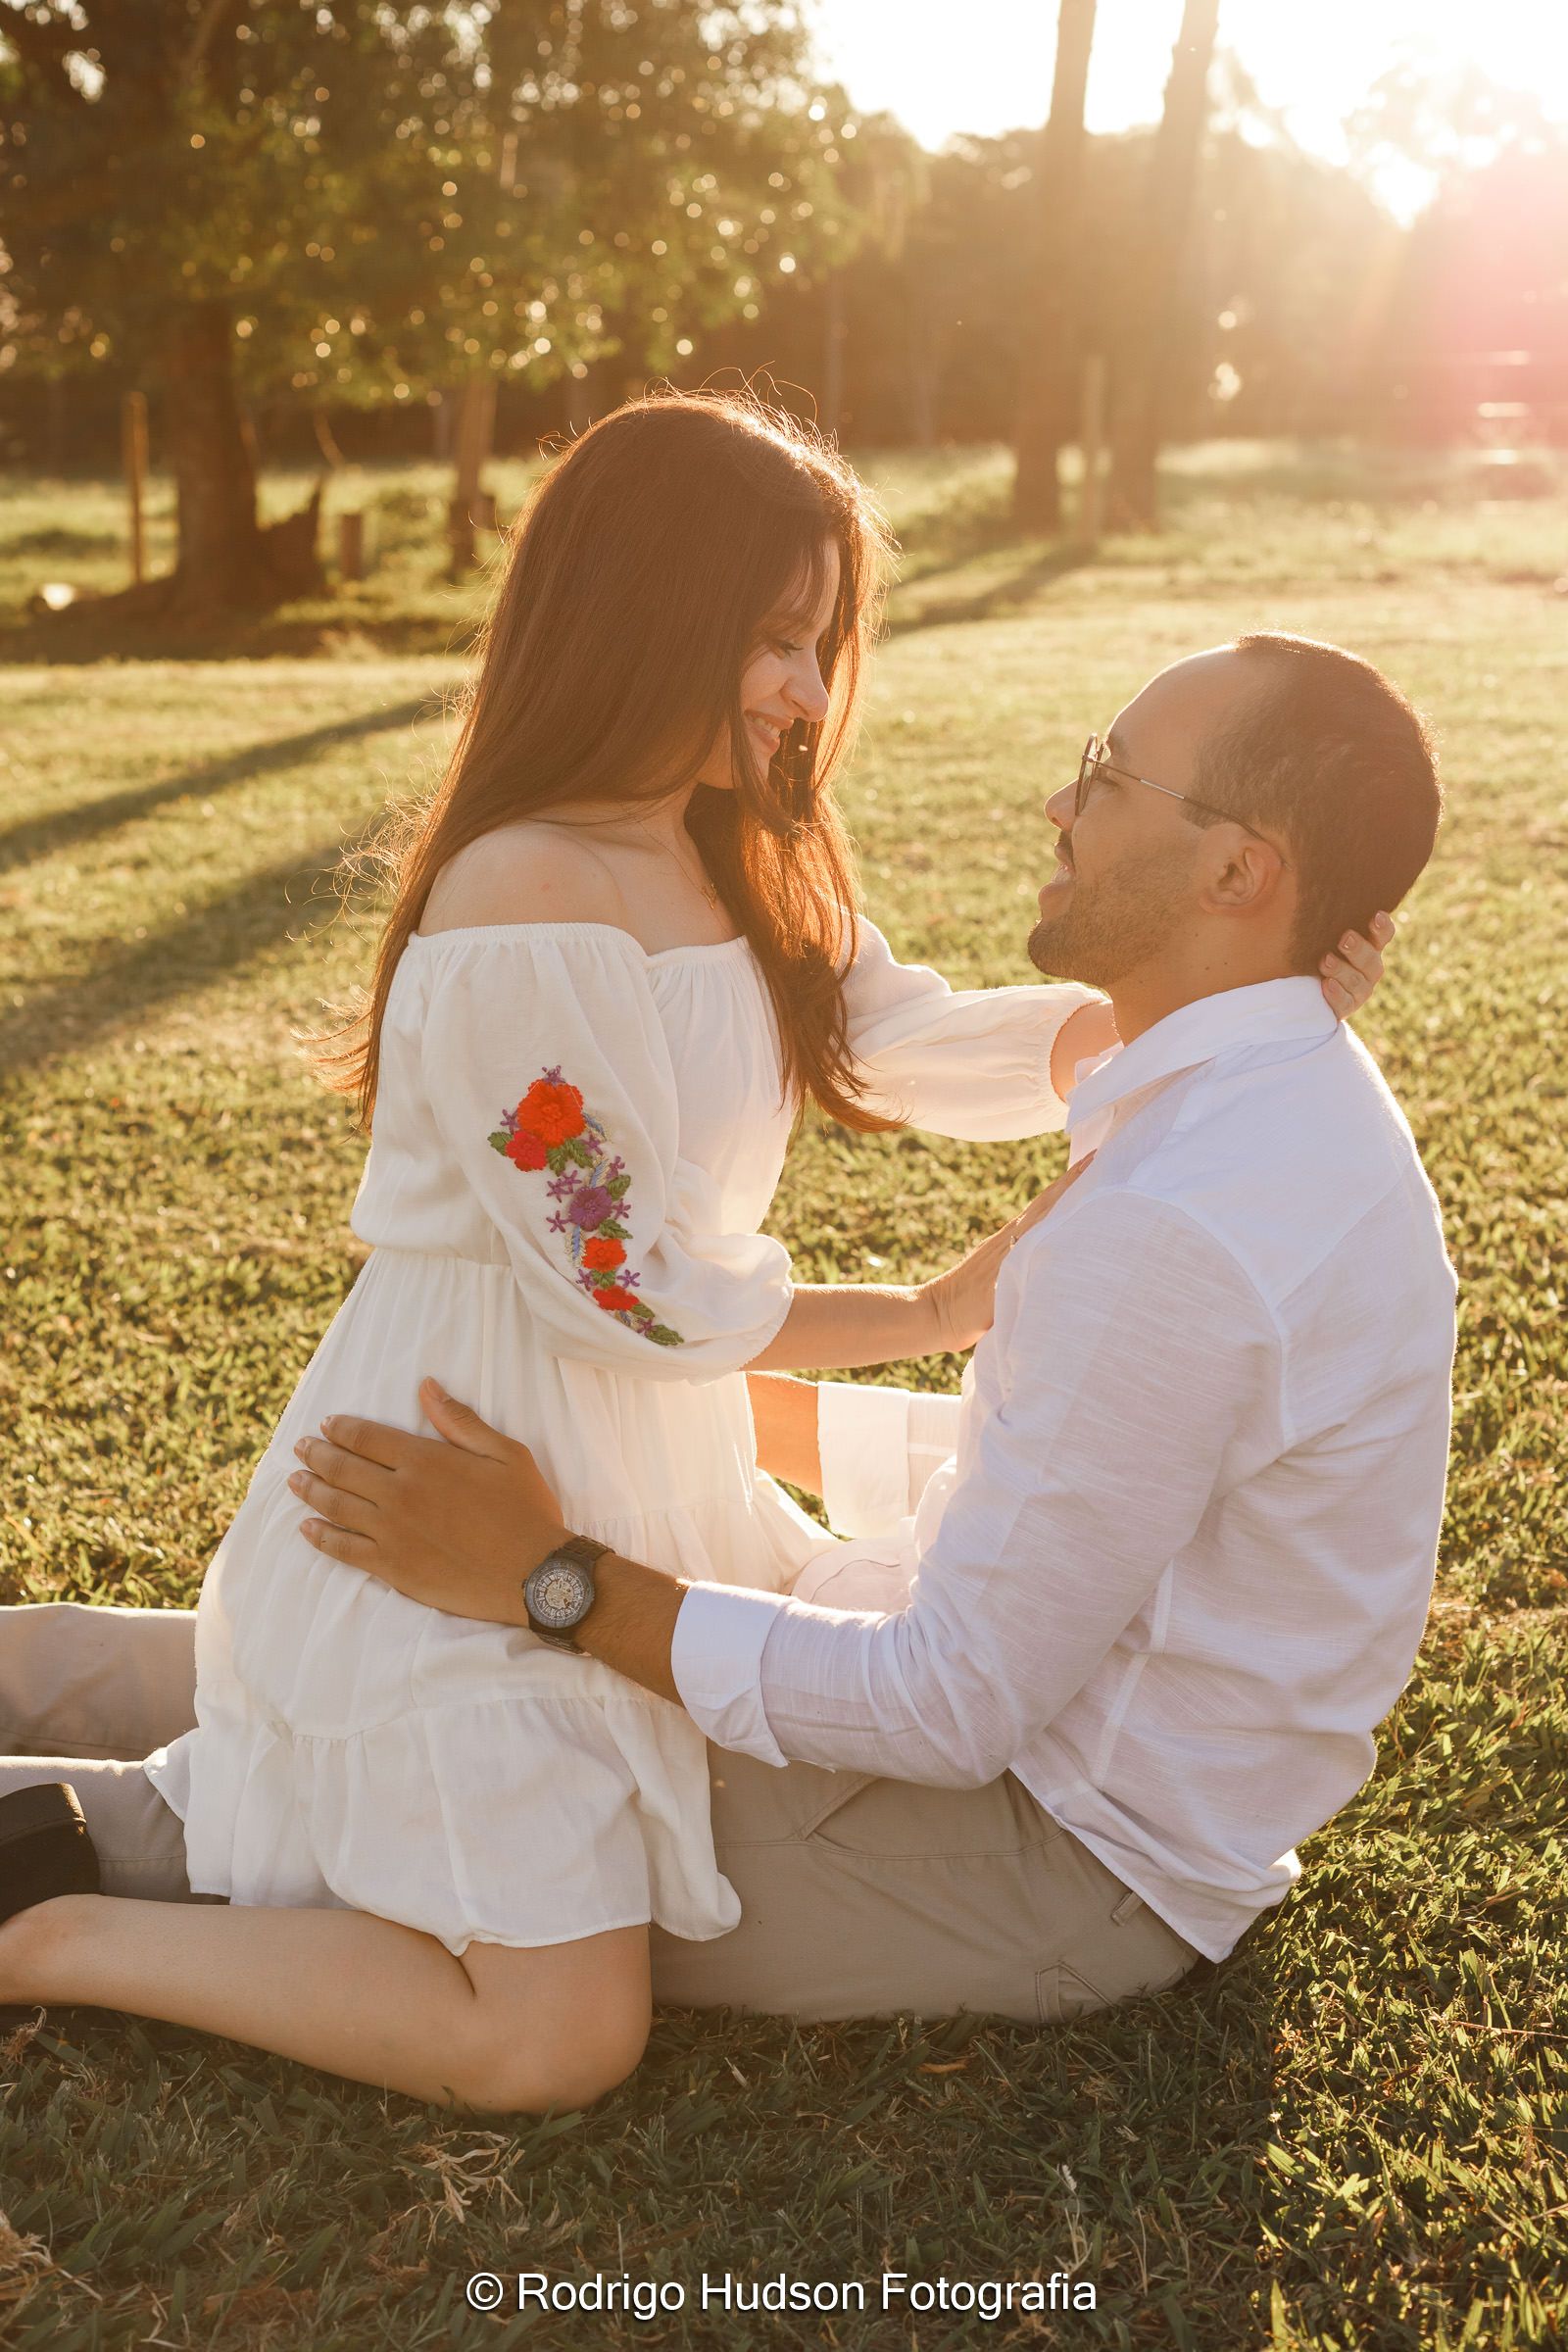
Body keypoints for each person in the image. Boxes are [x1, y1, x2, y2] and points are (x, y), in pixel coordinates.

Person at [0, 625, 1405, 2086]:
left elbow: (951, 1691)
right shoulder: (1254, 1099)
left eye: (1107, 775)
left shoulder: (1184, 1190)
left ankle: (49, 1889)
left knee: (428, 1733)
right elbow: (1088, 1465)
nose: (1061, 801)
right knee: (379, 1692)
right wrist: (756, 1416)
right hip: (615, 1431)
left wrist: (550, 1576)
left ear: (1240, 873)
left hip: (1041, 1822)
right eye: (779, 632)